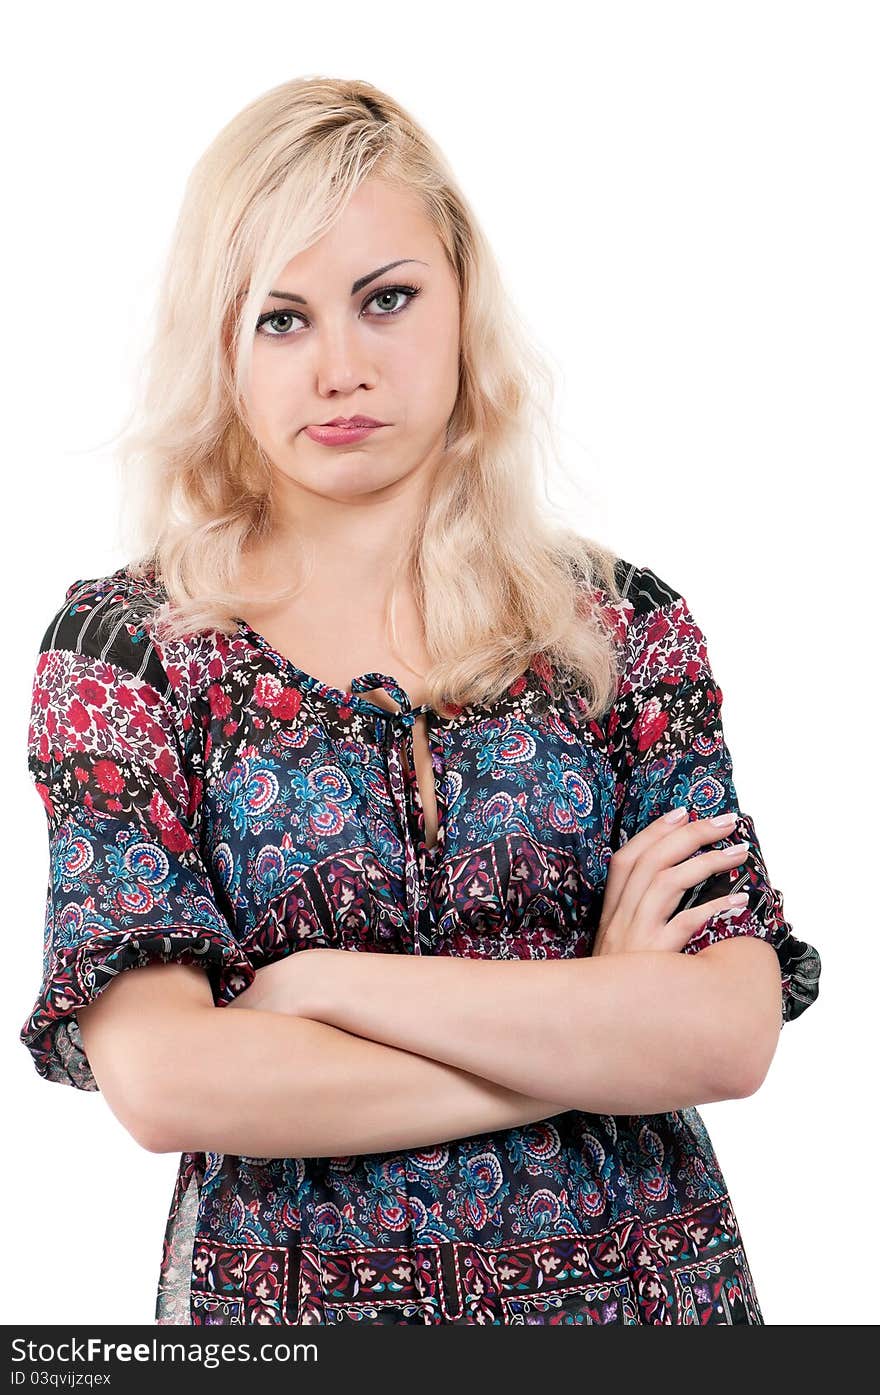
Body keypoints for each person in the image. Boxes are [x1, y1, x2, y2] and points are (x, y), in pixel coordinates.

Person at [20, 75, 821, 1326]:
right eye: (280, 320)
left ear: (460, 302)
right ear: (218, 344)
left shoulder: (614, 627)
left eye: (385, 300)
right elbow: (168, 1078)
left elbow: (722, 1035)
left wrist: (329, 981)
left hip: (652, 1311)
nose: (341, 368)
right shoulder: (130, 654)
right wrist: (594, 1033)